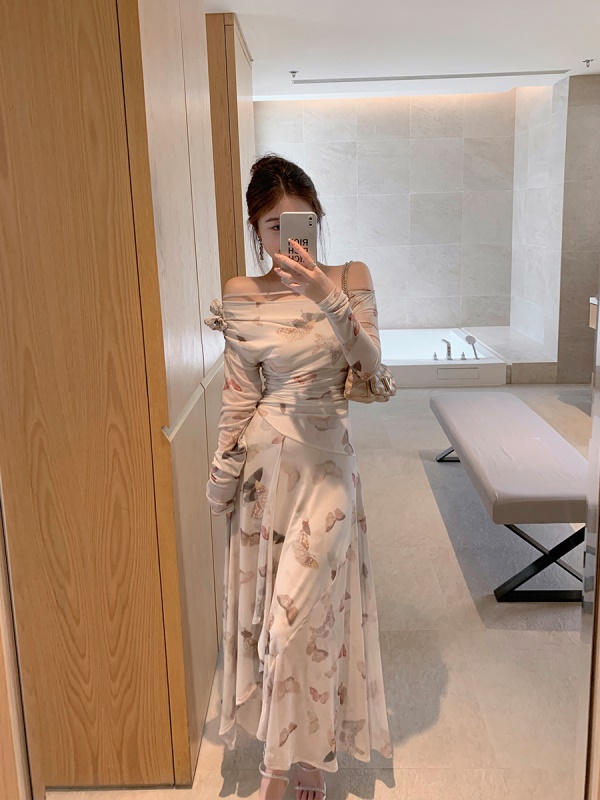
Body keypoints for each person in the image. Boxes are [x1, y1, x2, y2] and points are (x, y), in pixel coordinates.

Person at [204, 155, 391, 800]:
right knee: (273, 621)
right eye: (272, 227)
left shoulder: (350, 278)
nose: (288, 240)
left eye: (300, 223)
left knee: (300, 616)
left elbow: (372, 371)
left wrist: (327, 299)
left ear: (317, 218)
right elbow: (239, 397)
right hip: (265, 472)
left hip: (329, 467)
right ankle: (290, 762)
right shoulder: (241, 292)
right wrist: (220, 481)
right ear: (256, 231)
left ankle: (291, 760)